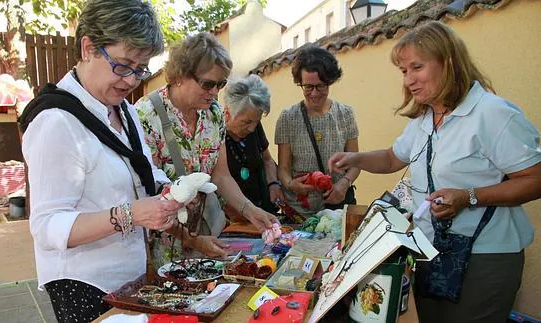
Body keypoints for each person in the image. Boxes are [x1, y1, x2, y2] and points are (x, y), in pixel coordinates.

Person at [20, 1, 224, 321]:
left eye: (140, 68)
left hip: (126, 276)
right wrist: (131, 215)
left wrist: (170, 190)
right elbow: (47, 227)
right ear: (88, 47)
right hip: (84, 284)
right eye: (123, 65)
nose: (131, 80)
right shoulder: (56, 122)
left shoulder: (122, 109)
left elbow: (141, 168)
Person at [329, 21, 541, 323]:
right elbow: (392, 158)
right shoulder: (425, 117)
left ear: (449, 62)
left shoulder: (493, 113)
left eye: (417, 67)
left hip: (484, 260)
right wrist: (355, 158)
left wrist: (468, 197)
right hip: (430, 252)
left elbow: (535, 179)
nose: (409, 80)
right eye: (404, 72)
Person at [135, 33, 278, 234]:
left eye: (220, 84)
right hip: (163, 238)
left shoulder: (214, 113)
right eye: (208, 84)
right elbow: (145, 194)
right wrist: (191, 240)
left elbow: (221, 176)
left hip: (202, 231)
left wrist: (251, 211)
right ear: (180, 76)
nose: (215, 92)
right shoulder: (145, 115)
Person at [275, 45, 360, 217]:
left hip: (337, 209)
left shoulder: (345, 114)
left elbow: (355, 162)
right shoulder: (287, 118)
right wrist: (292, 185)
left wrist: (343, 184)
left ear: (330, 82)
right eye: (307, 87)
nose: (314, 93)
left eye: (320, 86)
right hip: (300, 213)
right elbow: (283, 169)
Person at [222, 74, 284, 221]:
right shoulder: (216, 134)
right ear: (228, 113)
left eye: (257, 121)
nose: (252, 128)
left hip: (263, 206)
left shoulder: (254, 126)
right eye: (246, 122)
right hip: (235, 216)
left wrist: (273, 184)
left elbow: (268, 160)